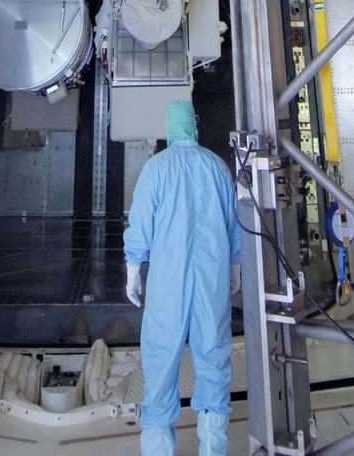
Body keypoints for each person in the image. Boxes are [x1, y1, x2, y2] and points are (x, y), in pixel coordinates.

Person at [124, 99, 241, 456]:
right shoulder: (218, 168)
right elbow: (235, 226)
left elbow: (140, 223)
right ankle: (213, 447)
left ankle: (157, 449)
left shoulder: (155, 169)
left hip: (167, 286)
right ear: (195, 123)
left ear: (168, 127)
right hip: (211, 283)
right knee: (213, 358)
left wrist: (133, 267)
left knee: (159, 363)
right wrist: (234, 269)